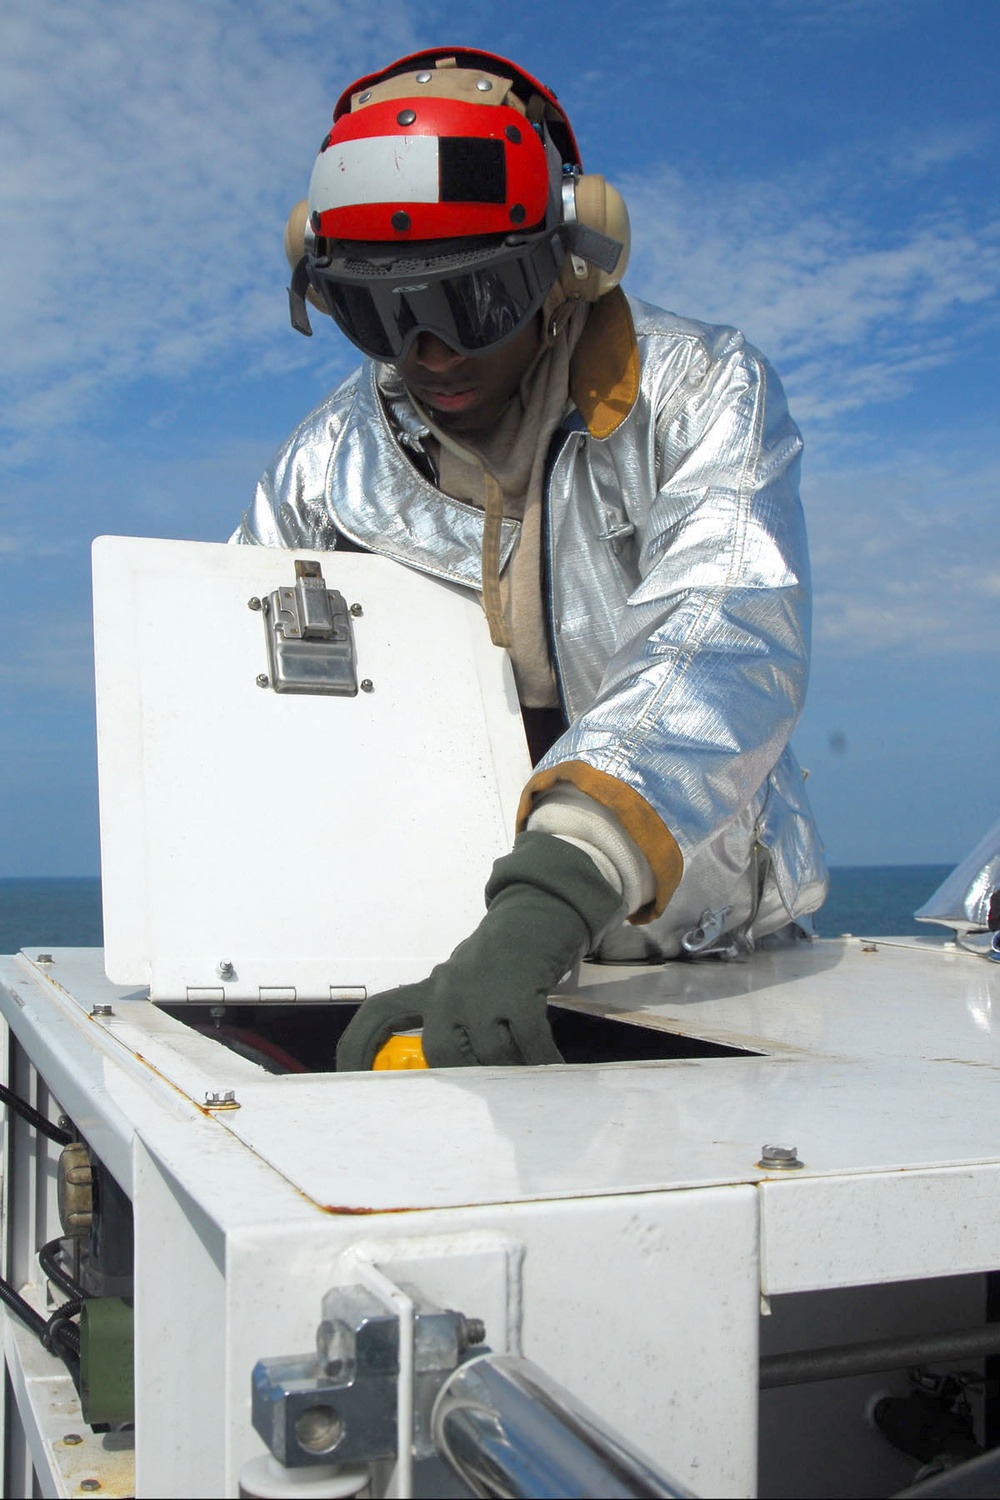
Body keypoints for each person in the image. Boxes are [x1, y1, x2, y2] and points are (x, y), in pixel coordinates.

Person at [232, 46, 828, 1069]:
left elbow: (721, 634)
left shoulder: (697, 392)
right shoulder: (321, 466)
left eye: (471, 303)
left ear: (570, 256)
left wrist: (552, 894)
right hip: (440, 953)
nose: (428, 355)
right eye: (381, 315)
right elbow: (237, 713)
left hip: (683, 950)